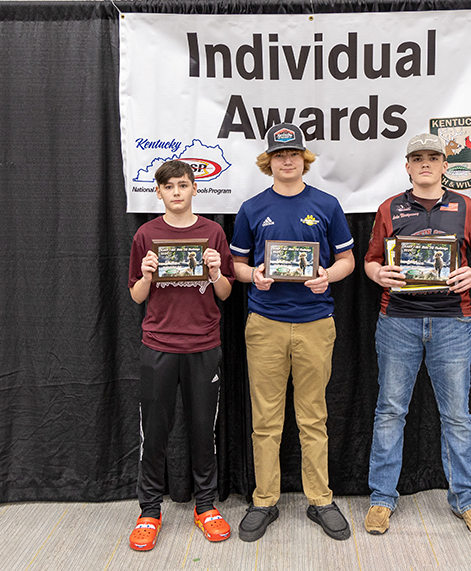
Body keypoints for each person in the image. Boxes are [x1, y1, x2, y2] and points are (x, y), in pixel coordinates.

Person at [363, 133, 471, 537]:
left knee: (457, 415)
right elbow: (371, 261)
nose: (425, 164)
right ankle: (381, 499)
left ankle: (466, 499)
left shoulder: (466, 207)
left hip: (452, 323)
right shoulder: (389, 208)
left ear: (445, 165)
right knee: (390, 412)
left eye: (433, 158)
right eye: (417, 158)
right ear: (407, 166)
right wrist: (378, 274)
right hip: (398, 321)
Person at [230, 123, 355, 542]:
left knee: (313, 417)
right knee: (265, 420)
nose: (287, 160)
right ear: (269, 161)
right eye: (280, 154)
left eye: (294, 154)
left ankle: (320, 500)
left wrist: (327, 276)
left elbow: (347, 260)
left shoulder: (326, 204)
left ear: (304, 159)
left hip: (316, 323)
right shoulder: (251, 208)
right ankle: (264, 500)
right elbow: (237, 265)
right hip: (264, 323)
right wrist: (254, 276)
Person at [127, 160, 235, 550]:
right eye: (169, 186)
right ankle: (149, 511)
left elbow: (225, 294)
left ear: (194, 190)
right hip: (158, 344)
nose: (176, 192)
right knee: (154, 432)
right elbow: (136, 296)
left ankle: (205, 506)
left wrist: (215, 273)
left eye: (183, 185)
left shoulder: (212, 232)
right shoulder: (146, 234)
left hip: (203, 344)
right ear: (158, 192)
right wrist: (146, 276)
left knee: (202, 429)